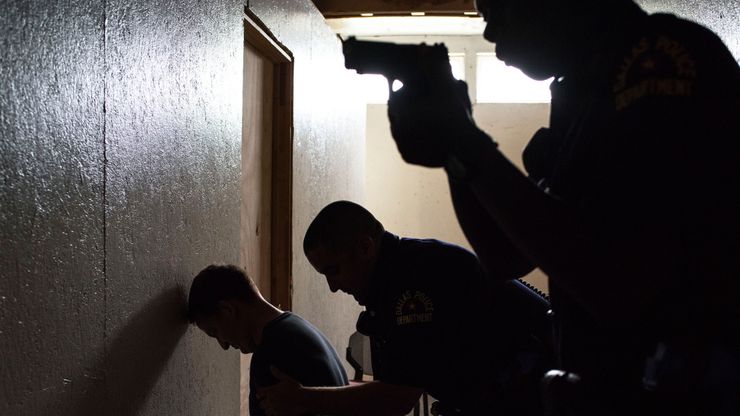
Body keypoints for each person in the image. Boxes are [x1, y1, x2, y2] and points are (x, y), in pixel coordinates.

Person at [385, 0, 740, 414]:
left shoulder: (655, 61)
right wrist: (452, 147)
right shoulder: (584, 91)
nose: (490, 35)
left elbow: (617, 281)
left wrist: (464, 141)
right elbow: (505, 257)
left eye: (499, 12)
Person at [257, 201, 552, 416]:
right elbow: (398, 384)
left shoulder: (415, 281)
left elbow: (396, 399)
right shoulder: (394, 280)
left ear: (365, 247)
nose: (333, 287)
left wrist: (304, 400)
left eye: (333, 271)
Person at [187, 264, 349, 416]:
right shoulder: (299, 328)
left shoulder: (270, 355)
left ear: (227, 310)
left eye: (215, 332)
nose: (223, 345)